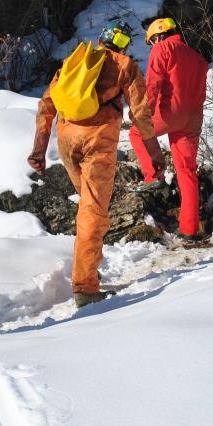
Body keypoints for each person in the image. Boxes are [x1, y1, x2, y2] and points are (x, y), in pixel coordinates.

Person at [28, 21, 165, 308]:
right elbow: (141, 113)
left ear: (101, 40)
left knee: (91, 209)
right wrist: (154, 154)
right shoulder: (125, 65)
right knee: (92, 211)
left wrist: (39, 150)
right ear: (124, 43)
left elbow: (46, 105)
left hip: (66, 142)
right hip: (97, 143)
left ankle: (88, 271)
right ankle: (85, 287)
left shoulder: (75, 61)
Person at [128, 17, 209, 241]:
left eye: (151, 41)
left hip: (171, 112)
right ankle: (189, 229)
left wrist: (144, 113)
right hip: (193, 118)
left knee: (136, 133)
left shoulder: (162, 48)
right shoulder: (198, 59)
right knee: (187, 172)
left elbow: (153, 84)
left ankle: (153, 175)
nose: (152, 46)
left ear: (157, 37)